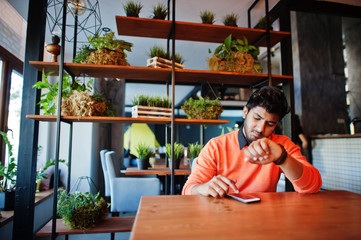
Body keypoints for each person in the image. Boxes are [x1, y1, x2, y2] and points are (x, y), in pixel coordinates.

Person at [182, 86, 322, 197]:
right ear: (245, 112)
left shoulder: (281, 145)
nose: (261, 129)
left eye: (270, 124)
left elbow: (313, 186)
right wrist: (202, 188)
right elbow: (187, 190)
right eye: (257, 118)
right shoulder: (216, 146)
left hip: (264, 218)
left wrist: (282, 158)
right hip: (224, 216)